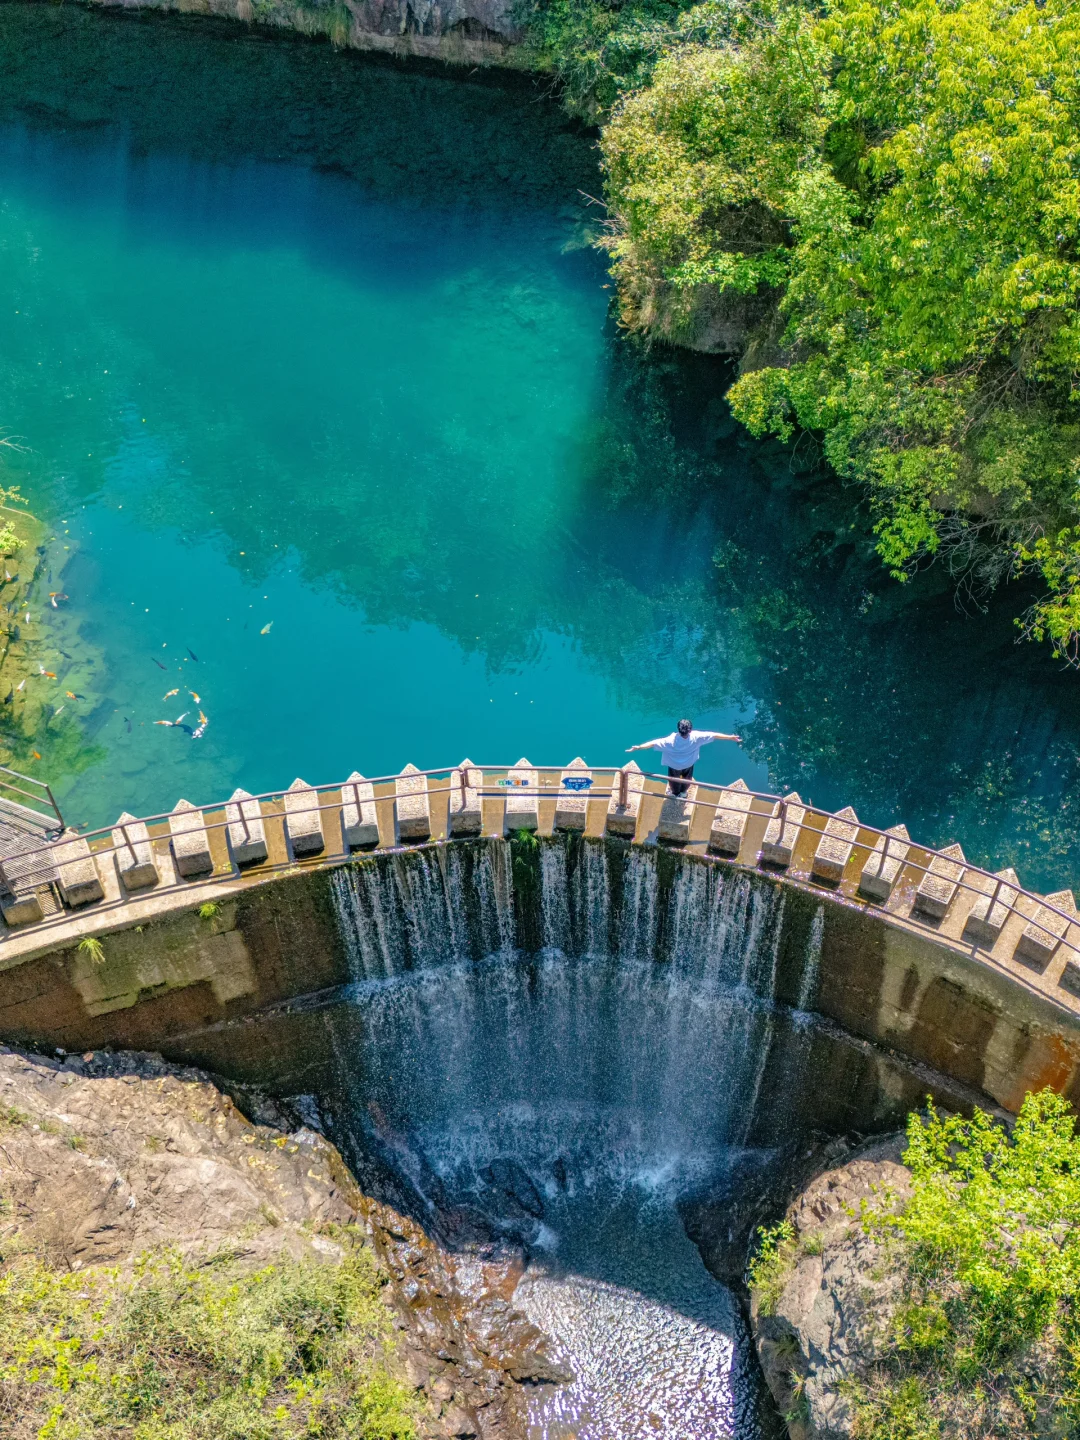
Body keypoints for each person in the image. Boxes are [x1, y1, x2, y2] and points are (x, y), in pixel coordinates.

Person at [628, 719, 742, 797]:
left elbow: (652, 743)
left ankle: (674, 793)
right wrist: (730, 737)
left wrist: (638, 747)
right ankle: (683, 793)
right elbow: (714, 735)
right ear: (690, 730)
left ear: (678, 729)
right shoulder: (697, 737)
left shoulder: (669, 741)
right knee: (687, 778)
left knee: (674, 779)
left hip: (674, 765)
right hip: (689, 763)